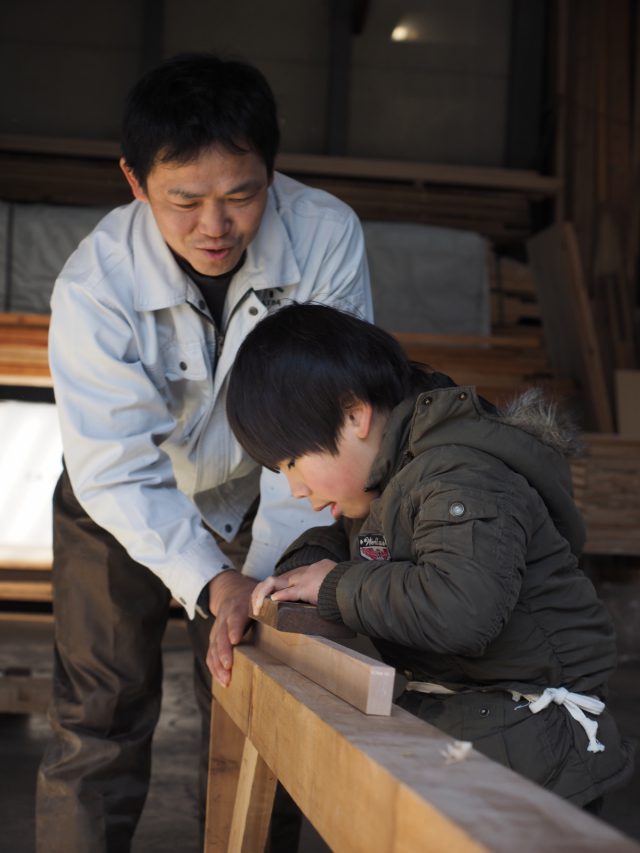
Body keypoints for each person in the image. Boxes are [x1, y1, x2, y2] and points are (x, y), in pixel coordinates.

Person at [36, 55, 372, 852]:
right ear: (135, 179)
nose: (213, 227)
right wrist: (211, 577)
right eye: (183, 201)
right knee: (100, 716)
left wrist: (256, 583)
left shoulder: (326, 236)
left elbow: (319, 428)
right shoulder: (95, 283)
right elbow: (115, 466)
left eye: (241, 195)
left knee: (262, 707)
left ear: (273, 171)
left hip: (274, 492)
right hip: (117, 503)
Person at [226, 303, 634, 809]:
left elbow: (461, 609)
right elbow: (361, 543)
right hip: (472, 722)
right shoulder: (392, 479)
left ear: (354, 415)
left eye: (293, 461)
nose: (294, 488)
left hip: (530, 745)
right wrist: (300, 571)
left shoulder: (461, 477)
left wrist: (333, 586)